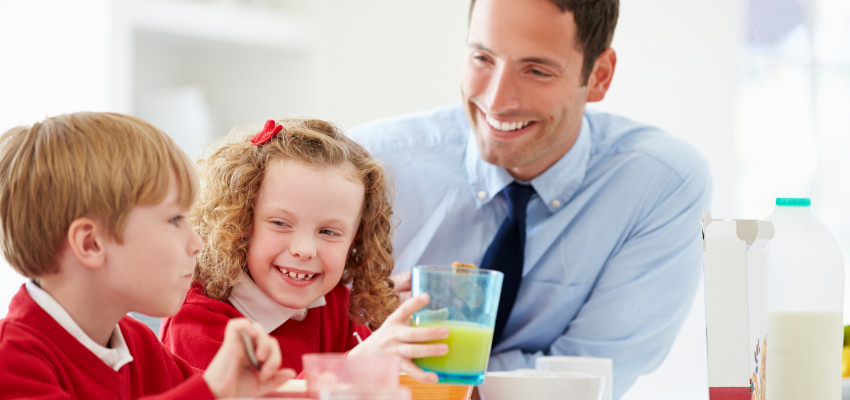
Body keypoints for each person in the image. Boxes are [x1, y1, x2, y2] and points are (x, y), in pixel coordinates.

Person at [348, 0, 713, 398]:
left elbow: (589, 376)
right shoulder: (371, 164)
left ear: (600, 75)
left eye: (537, 70)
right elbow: (304, 335)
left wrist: (418, 371)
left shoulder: (660, 183)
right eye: (482, 58)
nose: (498, 100)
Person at [0, 112, 295, 399]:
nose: (197, 244)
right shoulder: (11, 361)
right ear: (91, 243)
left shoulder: (136, 343)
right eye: (175, 220)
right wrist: (213, 390)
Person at [160, 118, 449, 383]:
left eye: (329, 232)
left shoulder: (336, 306)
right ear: (239, 222)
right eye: (280, 223)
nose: (304, 250)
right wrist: (353, 367)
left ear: (357, 240)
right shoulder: (196, 319)